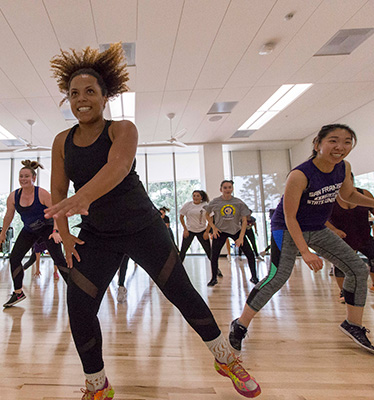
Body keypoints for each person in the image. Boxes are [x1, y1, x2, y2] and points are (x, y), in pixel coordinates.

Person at [45, 43, 260, 399]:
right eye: (74, 93)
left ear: (104, 96)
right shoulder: (61, 141)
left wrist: (82, 197)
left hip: (144, 228)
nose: (81, 99)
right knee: (79, 305)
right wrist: (65, 234)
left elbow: (118, 168)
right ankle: (97, 386)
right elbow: (57, 189)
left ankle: (225, 357)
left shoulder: (122, 129)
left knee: (182, 294)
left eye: (90, 92)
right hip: (97, 234)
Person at [228, 124, 374, 356]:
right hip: (286, 228)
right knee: (277, 277)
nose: (340, 147)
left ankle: (353, 325)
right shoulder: (300, 174)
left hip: (317, 228)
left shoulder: (343, 167)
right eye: (333, 141)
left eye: (347, 142)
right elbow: (289, 216)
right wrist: (305, 251)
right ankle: (240, 324)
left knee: (357, 269)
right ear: (318, 144)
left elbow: (347, 194)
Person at [0, 160, 68, 308]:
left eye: (26, 176)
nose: (23, 179)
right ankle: (18, 292)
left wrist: (56, 231)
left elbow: (57, 212)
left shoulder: (41, 193)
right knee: (15, 258)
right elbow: (8, 216)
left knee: (59, 260)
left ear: (33, 178)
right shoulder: (13, 196)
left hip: (47, 229)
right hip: (29, 230)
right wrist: (3, 233)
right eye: (21, 176)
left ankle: (76, 293)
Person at [326, 182, 374, 301]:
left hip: (363, 236)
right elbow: (321, 218)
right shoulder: (329, 198)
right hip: (342, 238)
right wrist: (334, 230)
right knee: (342, 264)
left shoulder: (364, 194)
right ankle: (344, 292)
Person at [204, 181, 258, 286]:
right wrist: (213, 227)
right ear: (221, 189)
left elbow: (244, 221)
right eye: (225, 188)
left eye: (229, 187)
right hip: (220, 231)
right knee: (214, 255)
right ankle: (213, 278)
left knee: (250, 254)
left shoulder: (239, 203)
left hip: (236, 231)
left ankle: (254, 277)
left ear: (232, 189)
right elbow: (207, 215)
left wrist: (241, 237)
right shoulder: (215, 202)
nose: (227, 189)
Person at [178, 190, 212, 263]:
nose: (195, 197)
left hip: (202, 231)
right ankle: (177, 270)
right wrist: (185, 229)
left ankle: (216, 269)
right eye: (194, 196)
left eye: (197, 196)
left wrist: (207, 232)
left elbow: (211, 219)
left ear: (201, 197)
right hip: (189, 230)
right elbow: (181, 217)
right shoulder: (188, 205)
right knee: (183, 251)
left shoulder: (206, 205)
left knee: (209, 252)